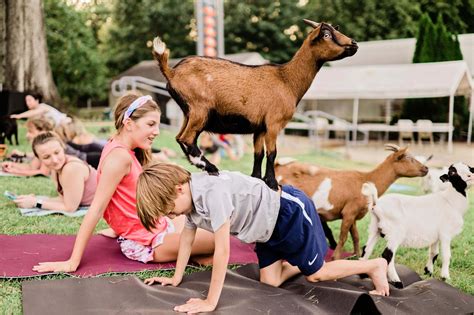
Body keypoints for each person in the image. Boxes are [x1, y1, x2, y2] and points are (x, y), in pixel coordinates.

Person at [135, 163, 390, 314]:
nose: (171, 216)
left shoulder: (212, 194)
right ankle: (296, 261)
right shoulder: (190, 202)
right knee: (270, 282)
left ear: (179, 189)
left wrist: (209, 302)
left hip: (288, 215)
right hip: (265, 231)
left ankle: (373, 265)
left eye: (169, 210)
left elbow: (223, 251)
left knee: (316, 274)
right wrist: (176, 278)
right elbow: (186, 240)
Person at [33, 92, 215, 273]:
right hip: (147, 242)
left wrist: (118, 227)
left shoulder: (120, 148)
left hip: (156, 225)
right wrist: (72, 262)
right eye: (151, 124)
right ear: (128, 123)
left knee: (208, 219)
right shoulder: (119, 157)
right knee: (217, 239)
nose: (157, 132)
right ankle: (193, 252)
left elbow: (122, 197)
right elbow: (96, 209)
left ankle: (192, 252)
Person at [11, 132, 97, 211]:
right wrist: (30, 200)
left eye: (57, 152)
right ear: (39, 159)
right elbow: (63, 199)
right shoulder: (55, 169)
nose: (55, 160)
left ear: (63, 148)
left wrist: (35, 203)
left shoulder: (71, 168)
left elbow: (70, 208)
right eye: (46, 157)